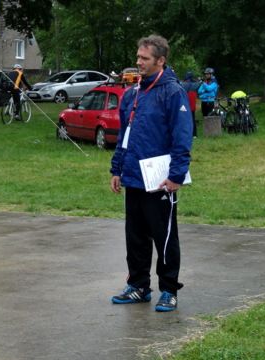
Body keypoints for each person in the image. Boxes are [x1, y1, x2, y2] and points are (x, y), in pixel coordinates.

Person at [109, 35, 193, 312]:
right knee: (135, 236)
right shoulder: (132, 94)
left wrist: (176, 176)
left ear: (160, 61)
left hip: (160, 180)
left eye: (144, 58)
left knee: (164, 237)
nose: (138, 62)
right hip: (133, 176)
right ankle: (138, 286)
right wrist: (117, 168)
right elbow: (125, 135)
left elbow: (182, 137)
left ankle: (169, 290)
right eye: (138, 57)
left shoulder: (172, 92)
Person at [182, 71, 200, 137]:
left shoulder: (182, 84)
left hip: (184, 105)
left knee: (184, 119)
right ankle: (194, 134)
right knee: (192, 119)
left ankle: (186, 134)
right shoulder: (195, 84)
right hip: (192, 105)